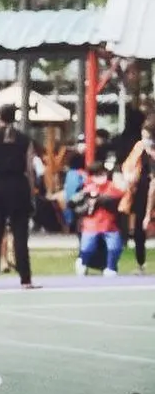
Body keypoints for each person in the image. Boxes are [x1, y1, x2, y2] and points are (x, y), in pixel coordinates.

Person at [0, 104, 36, 289]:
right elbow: (29, 169)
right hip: (19, 186)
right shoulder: (25, 140)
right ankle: (25, 278)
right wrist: (31, 192)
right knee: (20, 235)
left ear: (0, 117)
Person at [75, 159, 126, 277]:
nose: (99, 176)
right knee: (87, 247)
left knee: (114, 247)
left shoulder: (111, 186)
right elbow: (75, 202)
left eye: (101, 173)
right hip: (91, 225)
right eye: (96, 174)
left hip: (110, 225)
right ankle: (82, 263)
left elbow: (119, 195)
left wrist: (100, 198)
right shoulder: (86, 187)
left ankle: (111, 267)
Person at [122, 117, 154, 275]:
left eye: (147, 137)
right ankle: (141, 263)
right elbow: (127, 167)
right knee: (139, 231)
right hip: (141, 196)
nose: (144, 140)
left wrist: (149, 213)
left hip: (151, 193)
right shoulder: (139, 150)